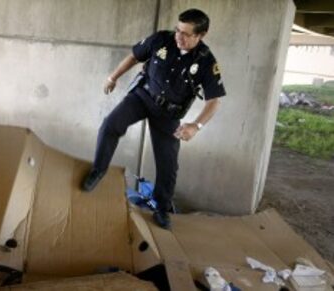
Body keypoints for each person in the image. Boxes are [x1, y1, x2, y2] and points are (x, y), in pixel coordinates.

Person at [82, 8, 226, 229]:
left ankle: (161, 208)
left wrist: (196, 126)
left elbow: (214, 100)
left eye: (186, 34)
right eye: (178, 30)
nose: (179, 36)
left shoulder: (206, 61)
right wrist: (113, 77)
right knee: (110, 126)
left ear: (201, 35)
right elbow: (134, 56)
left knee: (168, 164)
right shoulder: (161, 39)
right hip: (142, 97)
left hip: (169, 114)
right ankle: (98, 171)